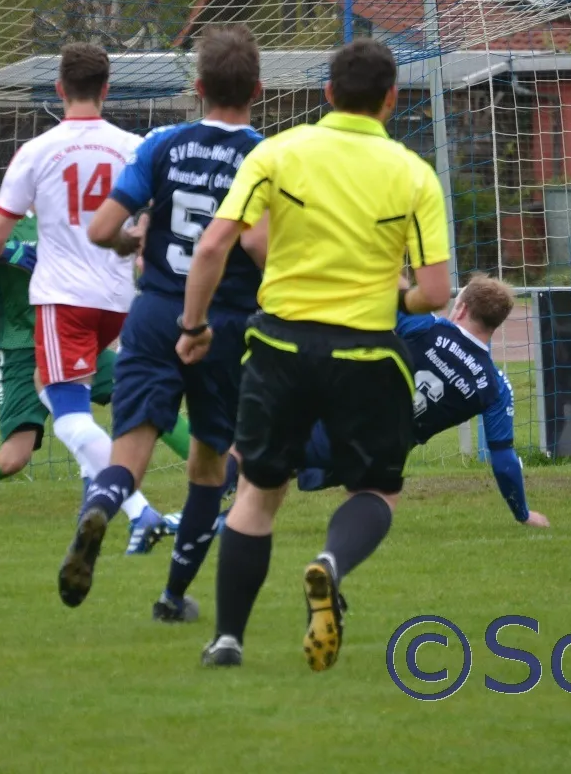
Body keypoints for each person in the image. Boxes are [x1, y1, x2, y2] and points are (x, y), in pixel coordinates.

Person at [178, 36, 452, 671]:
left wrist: (193, 326)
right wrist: (400, 297)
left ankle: (227, 640)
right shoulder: (413, 174)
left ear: (327, 93)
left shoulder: (277, 152)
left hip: (279, 345)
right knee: (376, 489)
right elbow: (436, 293)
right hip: (366, 354)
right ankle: (331, 562)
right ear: (391, 99)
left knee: (257, 492)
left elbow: (215, 245)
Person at [57, 25, 266, 618]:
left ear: (197, 87)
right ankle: (173, 597)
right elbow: (261, 248)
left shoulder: (162, 145)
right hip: (222, 324)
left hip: (152, 314)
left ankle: (100, 508)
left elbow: (102, 228)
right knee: (208, 466)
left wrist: (131, 242)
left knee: (128, 457)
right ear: (258, 89)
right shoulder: (265, 157)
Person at [0, 43, 167, 550]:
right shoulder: (134, 146)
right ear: (106, 90)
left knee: (64, 406)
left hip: (65, 299)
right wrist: (144, 240)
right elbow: (159, 210)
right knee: (54, 387)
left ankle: (139, 511)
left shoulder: (37, 150)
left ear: (58, 90)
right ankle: (95, 493)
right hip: (118, 300)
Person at [0, 214, 191, 554]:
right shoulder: (9, 224)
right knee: (13, 458)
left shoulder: (81, 218)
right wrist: (1, 254)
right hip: (20, 351)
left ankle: (219, 475)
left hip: (72, 342)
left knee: (147, 398)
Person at [296, 274, 549, 530]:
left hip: (332, 427)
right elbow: (504, 461)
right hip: (378, 461)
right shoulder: (495, 387)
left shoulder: (426, 327)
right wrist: (523, 513)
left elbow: (382, 287)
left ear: (462, 308)